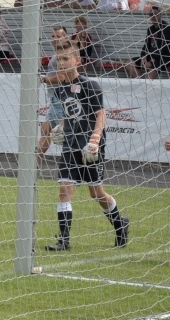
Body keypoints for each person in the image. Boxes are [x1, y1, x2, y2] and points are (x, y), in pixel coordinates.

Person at [43, 44, 129, 251]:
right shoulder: (61, 88)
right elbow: (70, 113)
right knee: (64, 189)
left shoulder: (90, 85)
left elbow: (101, 115)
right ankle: (64, 241)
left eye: (65, 59)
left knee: (96, 193)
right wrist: (61, 128)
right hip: (71, 144)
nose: (61, 64)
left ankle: (120, 224)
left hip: (90, 146)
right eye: (59, 60)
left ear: (77, 61)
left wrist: (95, 139)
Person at [37, 26, 71, 166]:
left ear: (65, 38)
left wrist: (43, 79)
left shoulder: (61, 56)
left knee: (51, 131)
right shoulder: (57, 54)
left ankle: (35, 161)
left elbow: (61, 78)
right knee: (46, 129)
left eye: (58, 36)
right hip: (57, 99)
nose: (54, 39)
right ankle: (36, 161)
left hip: (60, 99)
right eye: (52, 36)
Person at [124, 5, 170, 79]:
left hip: (162, 58)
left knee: (150, 73)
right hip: (151, 56)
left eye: (155, 14)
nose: (153, 16)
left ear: (161, 14)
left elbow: (164, 49)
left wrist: (151, 62)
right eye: (151, 14)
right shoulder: (150, 29)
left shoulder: (166, 28)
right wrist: (143, 57)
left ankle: (146, 86)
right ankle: (140, 83)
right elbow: (146, 46)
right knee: (128, 63)